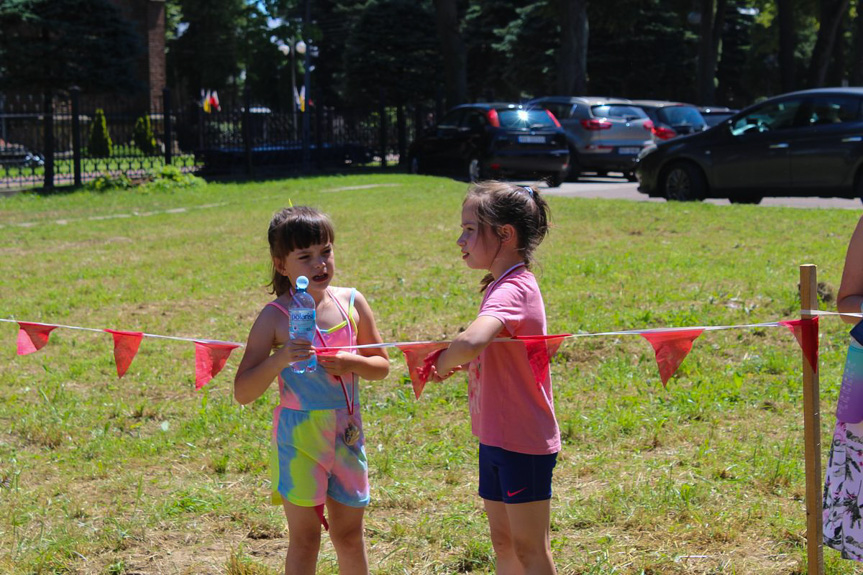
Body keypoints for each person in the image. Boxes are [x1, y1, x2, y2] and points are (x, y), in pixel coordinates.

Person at [234, 206, 390, 575]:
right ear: (281, 265)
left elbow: (382, 367)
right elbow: (243, 391)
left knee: (350, 536)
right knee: (305, 539)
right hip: (299, 440)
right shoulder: (274, 316)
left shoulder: (352, 302)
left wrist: (352, 363)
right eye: (305, 257)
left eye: (326, 252)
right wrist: (281, 358)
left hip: (348, 437)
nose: (320, 264)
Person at [432, 181, 560, 574]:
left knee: (529, 549)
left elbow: (472, 339)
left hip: (522, 441)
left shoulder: (516, 288)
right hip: (496, 437)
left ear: (506, 234)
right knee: (504, 543)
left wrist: (441, 362)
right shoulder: (502, 286)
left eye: (470, 229)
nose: (460, 239)